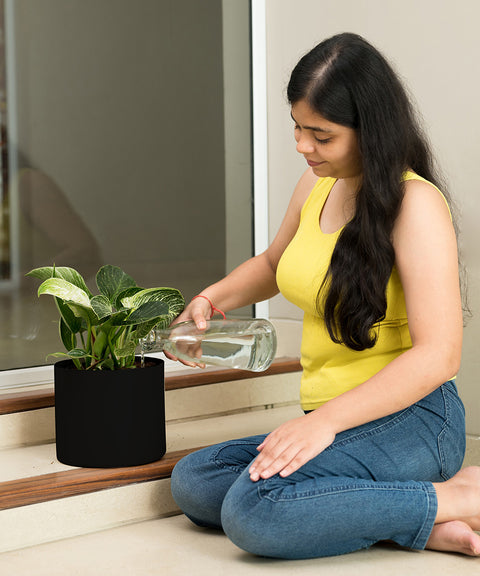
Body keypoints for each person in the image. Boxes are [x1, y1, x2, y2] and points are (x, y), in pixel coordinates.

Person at [170, 32, 480, 559]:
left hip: (414, 421)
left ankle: (456, 493)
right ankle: (416, 519)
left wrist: (324, 424)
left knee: (254, 510)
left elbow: (439, 355)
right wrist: (211, 296)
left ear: (370, 132)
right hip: (335, 421)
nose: (302, 146)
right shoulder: (316, 184)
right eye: (297, 126)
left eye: (321, 134)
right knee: (197, 481)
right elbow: (273, 264)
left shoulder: (415, 206)